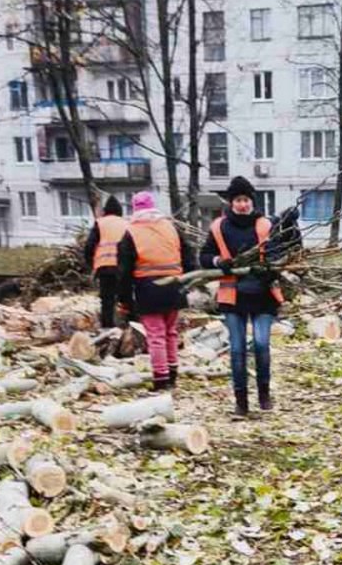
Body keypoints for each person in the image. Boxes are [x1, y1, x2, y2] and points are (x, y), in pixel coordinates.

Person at [199, 175, 283, 417]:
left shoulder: (264, 225)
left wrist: (268, 270)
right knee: (236, 350)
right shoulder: (219, 227)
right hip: (232, 297)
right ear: (231, 202)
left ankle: (264, 394)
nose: (243, 204)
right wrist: (219, 261)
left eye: (246, 199)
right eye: (238, 200)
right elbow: (204, 256)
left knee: (260, 344)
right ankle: (241, 401)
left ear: (252, 201)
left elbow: (278, 254)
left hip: (263, 296)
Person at [116, 192, 194, 391]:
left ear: (134, 209)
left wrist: (124, 300)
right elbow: (188, 254)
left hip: (148, 288)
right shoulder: (170, 227)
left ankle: (161, 379)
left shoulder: (131, 232)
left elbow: (124, 271)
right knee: (171, 332)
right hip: (175, 285)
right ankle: (173, 373)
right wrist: (189, 282)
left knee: (156, 336)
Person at [84, 196, 128, 328]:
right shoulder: (126, 223)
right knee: (126, 298)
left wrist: (91, 265)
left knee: (107, 300)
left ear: (105, 211)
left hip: (105, 267)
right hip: (124, 267)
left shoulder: (100, 223)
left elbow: (89, 246)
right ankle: (130, 326)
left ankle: (108, 329)